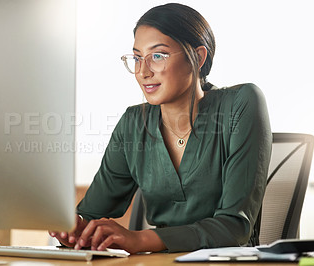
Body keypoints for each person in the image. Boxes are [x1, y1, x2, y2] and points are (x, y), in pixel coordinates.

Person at [49, 3, 272, 254]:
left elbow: (234, 227)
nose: (143, 71)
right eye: (136, 58)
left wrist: (140, 240)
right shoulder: (133, 123)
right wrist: (76, 233)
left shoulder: (242, 103)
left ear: (198, 57)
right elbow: (90, 215)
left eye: (158, 55)